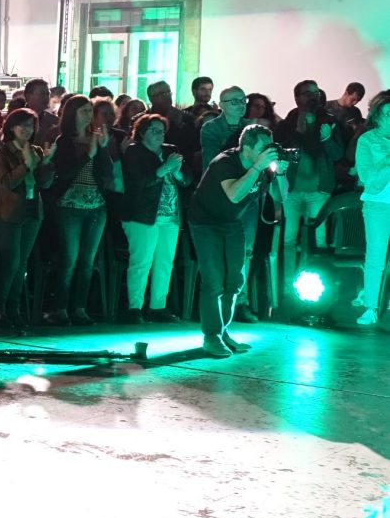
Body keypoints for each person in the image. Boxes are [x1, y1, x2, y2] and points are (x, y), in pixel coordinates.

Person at [190, 125, 285, 356]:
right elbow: (234, 195)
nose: (268, 151)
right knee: (213, 281)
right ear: (247, 147)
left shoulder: (261, 165)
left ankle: (222, 332)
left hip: (232, 223)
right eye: (264, 147)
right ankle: (211, 336)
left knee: (235, 280)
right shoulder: (225, 162)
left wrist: (280, 173)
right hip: (205, 223)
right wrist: (257, 167)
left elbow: (278, 196)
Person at [274, 79, 346, 311]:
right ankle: (289, 287)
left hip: (318, 191)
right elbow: (280, 150)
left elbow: (338, 154)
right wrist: (299, 131)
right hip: (292, 190)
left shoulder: (329, 120)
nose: (313, 97)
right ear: (297, 97)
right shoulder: (288, 122)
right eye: (307, 93)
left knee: (318, 240)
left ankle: (318, 287)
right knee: (288, 240)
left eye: (316, 92)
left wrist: (326, 138)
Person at [46, 94, 116, 325]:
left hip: (96, 205)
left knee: (88, 260)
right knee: (69, 259)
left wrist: (102, 149)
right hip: (70, 205)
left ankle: (80, 308)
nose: (89, 115)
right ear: (72, 114)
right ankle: (60, 308)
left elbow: (107, 173)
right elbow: (65, 173)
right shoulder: (65, 140)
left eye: (90, 111)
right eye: (84, 111)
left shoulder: (96, 136)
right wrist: (89, 155)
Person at [118, 113, 190, 323]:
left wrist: (177, 173)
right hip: (142, 216)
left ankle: (158, 306)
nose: (160, 134)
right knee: (142, 261)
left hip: (170, 216)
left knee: (165, 261)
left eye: (162, 130)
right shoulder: (134, 152)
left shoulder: (171, 150)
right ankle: (135, 307)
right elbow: (138, 183)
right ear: (142, 133)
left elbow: (187, 179)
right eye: (154, 130)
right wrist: (164, 168)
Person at [0, 108, 52, 328]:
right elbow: (7, 183)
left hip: (33, 210)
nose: (27, 129)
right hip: (8, 214)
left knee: (22, 262)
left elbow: (45, 183)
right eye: (22, 125)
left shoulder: (36, 150)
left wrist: (46, 163)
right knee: (11, 261)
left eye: (31, 125)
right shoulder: (1, 152)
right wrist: (25, 164)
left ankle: (14, 309)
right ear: (11, 127)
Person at [352, 90, 390, 327]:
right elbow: (368, 180)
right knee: (376, 256)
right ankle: (371, 307)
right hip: (378, 205)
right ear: (377, 116)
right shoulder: (367, 141)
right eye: (388, 114)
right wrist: (387, 160)